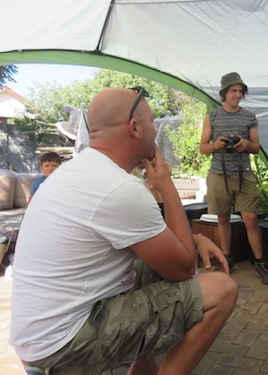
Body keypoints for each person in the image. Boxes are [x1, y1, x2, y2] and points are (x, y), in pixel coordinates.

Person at [10, 87, 239, 375]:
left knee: (148, 266)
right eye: (153, 121)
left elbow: (159, 248)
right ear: (135, 127)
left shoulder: (78, 170)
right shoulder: (119, 188)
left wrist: (193, 239)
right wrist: (167, 188)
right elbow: (182, 268)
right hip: (62, 348)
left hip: (39, 340)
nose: (156, 129)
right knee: (222, 290)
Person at [200, 72, 268, 285]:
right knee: (223, 218)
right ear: (225, 92)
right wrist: (216, 145)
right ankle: (227, 258)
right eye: (234, 90)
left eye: (240, 91)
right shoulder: (212, 116)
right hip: (218, 173)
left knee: (250, 218)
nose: (238, 94)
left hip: (244, 174)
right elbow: (202, 148)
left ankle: (259, 262)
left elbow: (256, 147)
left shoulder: (249, 116)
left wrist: (245, 145)